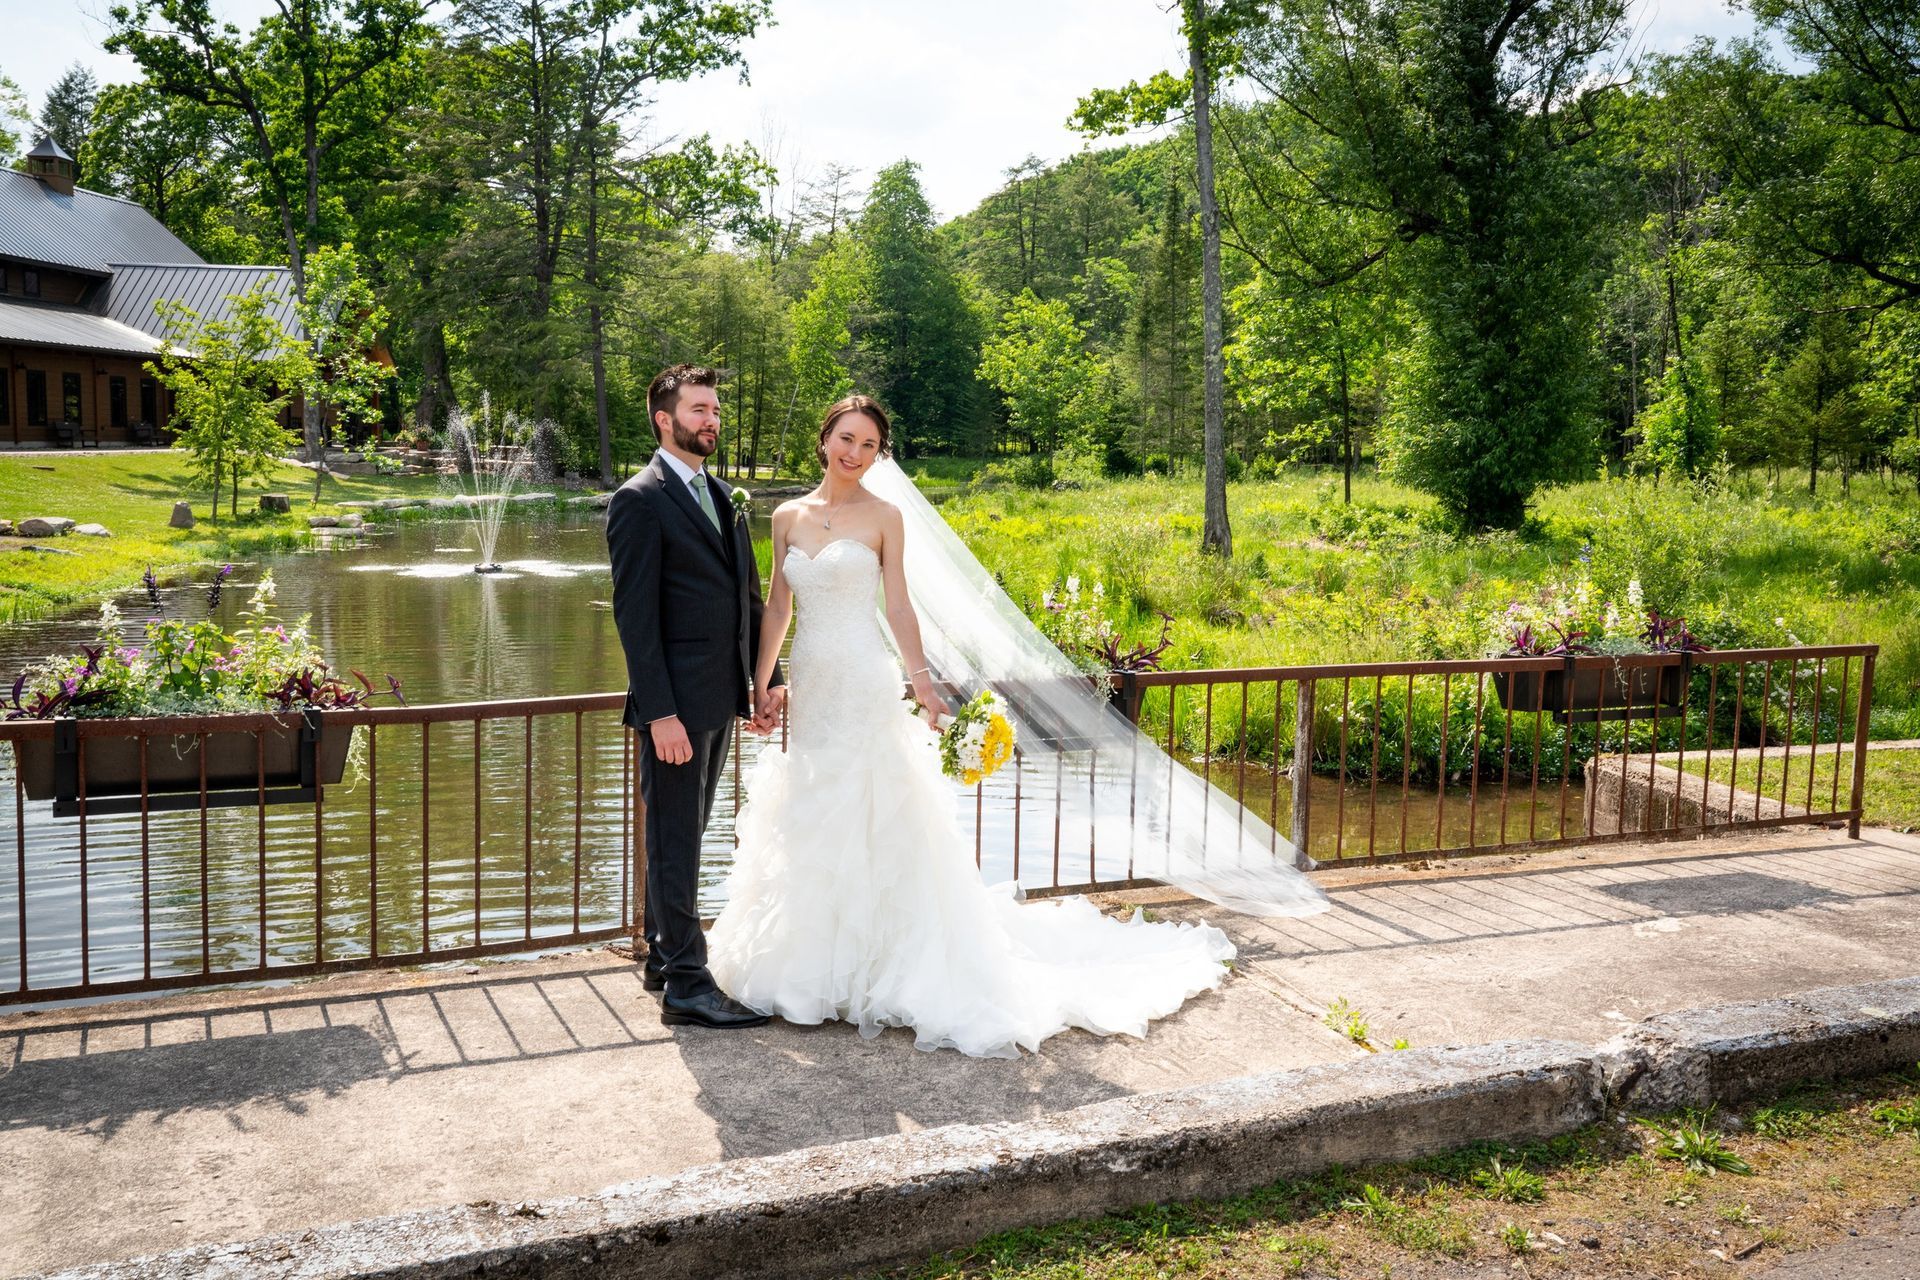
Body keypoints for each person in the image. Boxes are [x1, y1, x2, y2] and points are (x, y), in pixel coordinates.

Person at [705, 396, 1244, 1058]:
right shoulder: (786, 516)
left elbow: (898, 606)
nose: (854, 452)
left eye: (869, 445)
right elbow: (779, 606)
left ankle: (882, 966)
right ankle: (807, 967)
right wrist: (762, 684)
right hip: (813, 684)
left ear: (879, 455)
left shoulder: (884, 517)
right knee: (814, 812)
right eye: (846, 438)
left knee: (874, 810)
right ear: (824, 440)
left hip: (868, 682)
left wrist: (923, 685)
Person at [606, 364, 783, 1030]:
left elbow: (751, 599)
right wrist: (660, 714)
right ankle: (687, 982)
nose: (712, 421)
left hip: (719, 700)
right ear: (665, 419)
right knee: (676, 840)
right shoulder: (639, 499)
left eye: (715, 410)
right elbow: (636, 619)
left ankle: (660, 957)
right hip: (675, 709)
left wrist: (765, 682)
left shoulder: (721, 495)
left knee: (687, 834)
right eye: (700, 410)